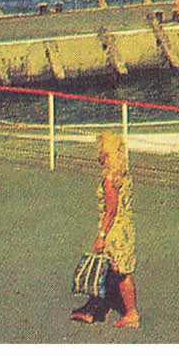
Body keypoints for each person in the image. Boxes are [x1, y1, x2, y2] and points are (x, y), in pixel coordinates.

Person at [71, 131, 139, 329]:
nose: (98, 156)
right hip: (125, 228)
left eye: (102, 152)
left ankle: (131, 313)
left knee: (118, 273)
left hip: (114, 231)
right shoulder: (123, 174)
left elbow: (111, 211)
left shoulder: (110, 180)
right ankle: (92, 309)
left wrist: (101, 236)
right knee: (112, 272)